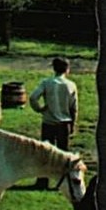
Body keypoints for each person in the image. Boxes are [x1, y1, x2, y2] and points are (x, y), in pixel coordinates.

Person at [29, 58, 78, 188]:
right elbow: (74, 107)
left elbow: (33, 97)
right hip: (64, 123)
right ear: (67, 69)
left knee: (45, 153)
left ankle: (42, 181)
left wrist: (39, 108)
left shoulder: (46, 83)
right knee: (63, 154)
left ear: (54, 69)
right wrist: (73, 124)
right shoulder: (71, 85)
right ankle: (61, 183)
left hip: (49, 123)